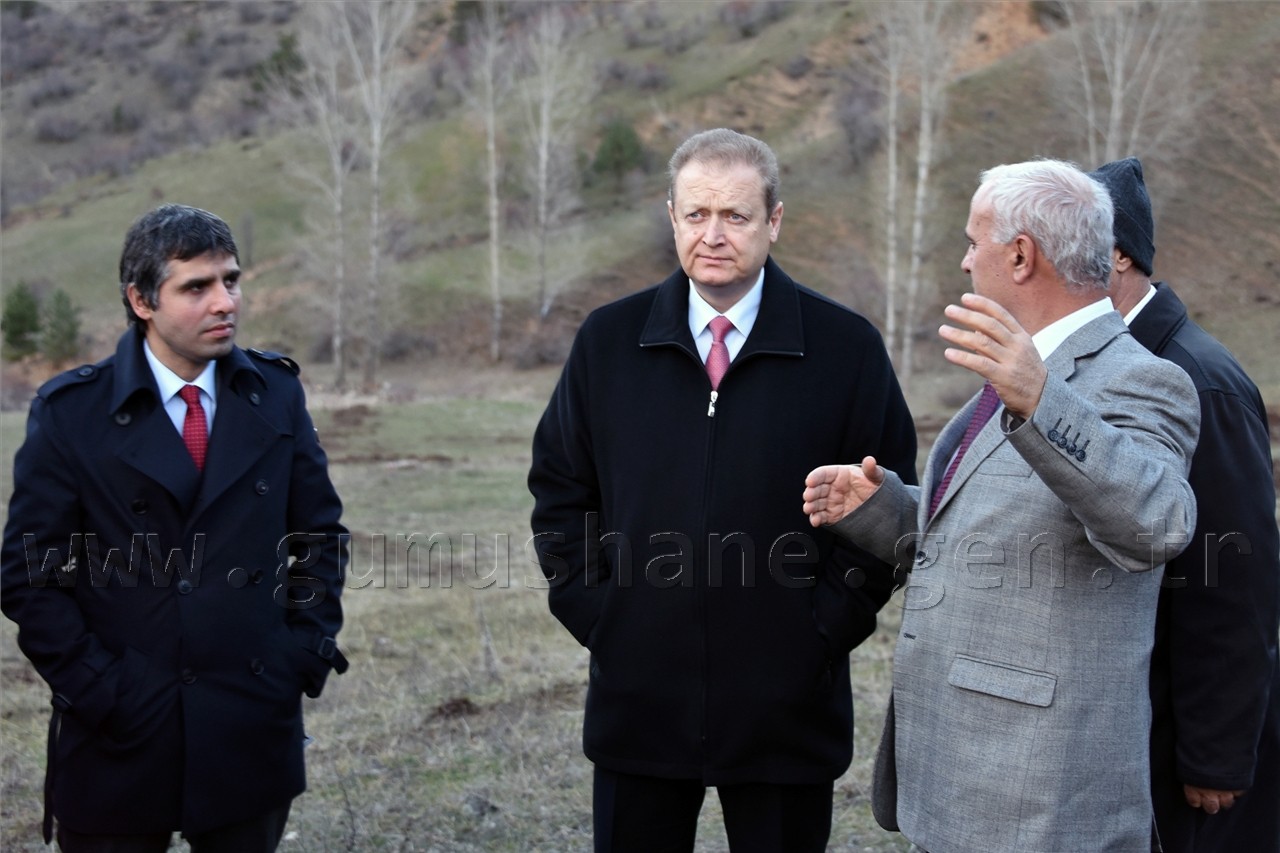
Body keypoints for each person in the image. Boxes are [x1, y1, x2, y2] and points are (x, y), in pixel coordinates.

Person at [527, 128, 917, 853]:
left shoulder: (846, 348)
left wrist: (822, 632)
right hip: (638, 704)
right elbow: (559, 489)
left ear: (774, 221)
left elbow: (886, 508)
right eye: (696, 213)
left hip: (786, 711)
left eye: (735, 216)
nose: (713, 234)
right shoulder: (607, 343)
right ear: (671, 215)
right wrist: (603, 616)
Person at [802, 159, 1201, 852]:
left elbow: (1157, 521)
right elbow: (1003, 527)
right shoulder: (1015, 369)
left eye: (972, 241)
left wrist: (1043, 400)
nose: (964, 261)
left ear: (1020, 255)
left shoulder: (1141, 380)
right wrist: (886, 508)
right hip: (966, 776)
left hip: (1042, 800)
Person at [1, 203, 349, 853]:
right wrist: (100, 688)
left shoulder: (273, 394)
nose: (225, 302)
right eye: (197, 286)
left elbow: (319, 535)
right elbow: (28, 576)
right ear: (141, 299)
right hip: (120, 730)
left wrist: (300, 653)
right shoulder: (73, 413)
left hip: (248, 715)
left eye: (232, 280)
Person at [1088, 157, 1279, 853]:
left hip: (1188, 748)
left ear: (1115, 256)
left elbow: (1237, 581)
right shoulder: (1110, 365)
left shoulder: (1201, 380)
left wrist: (1217, 754)